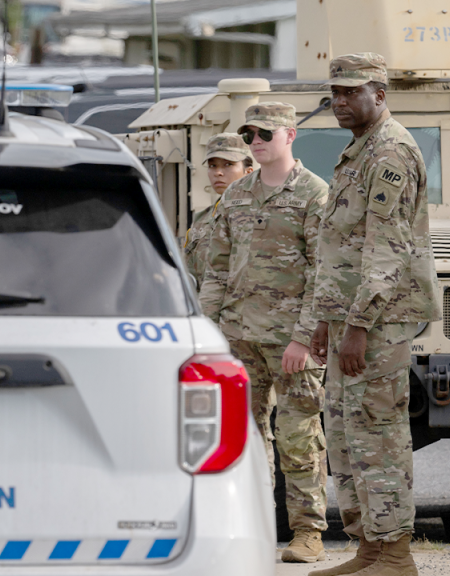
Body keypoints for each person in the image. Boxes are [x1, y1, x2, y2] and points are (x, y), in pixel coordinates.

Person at [306, 53, 439, 576]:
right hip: (348, 319)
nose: (340, 102)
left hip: (377, 322)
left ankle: (396, 553)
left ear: (379, 95)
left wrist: (357, 326)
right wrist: (325, 318)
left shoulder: (390, 153)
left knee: (378, 434)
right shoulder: (359, 150)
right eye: (334, 93)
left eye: (351, 92)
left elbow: (387, 249)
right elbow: (339, 246)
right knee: (344, 434)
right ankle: (369, 548)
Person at [198, 103, 330, 562]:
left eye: (264, 133)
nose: (255, 140)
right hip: (238, 336)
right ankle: (251, 528)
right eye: (249, 133)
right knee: (244, 438)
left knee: (299, 437)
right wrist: (207, 332)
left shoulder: (315, 194)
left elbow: (323, 275)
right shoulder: (236, 197)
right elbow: (216, 271)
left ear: (289, 135)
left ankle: (308, 533)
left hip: (292, 340)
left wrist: (303, 337)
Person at [183, 133, 254, 291]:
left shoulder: (261, 216)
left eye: (228, 165)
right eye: (213, 166)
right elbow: (189, 274)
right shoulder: (203, 219)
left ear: (249, 172)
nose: (218, 173)